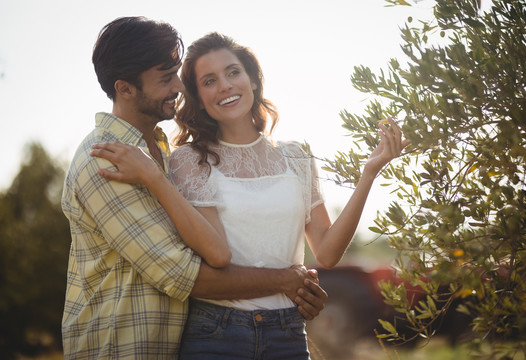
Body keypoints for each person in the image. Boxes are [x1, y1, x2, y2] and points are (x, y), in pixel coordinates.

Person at [91, 32, 408, 360]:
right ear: (199, 98)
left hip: (288, 331)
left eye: (233, 72)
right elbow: (218, 255)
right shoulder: (189, 160)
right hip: (216, 331)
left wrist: (369, 174)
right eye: (210, 81)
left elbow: (327, 253)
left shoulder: (297, 157)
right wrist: (288, 280)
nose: (225, 86)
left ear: (253, 81)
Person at [61, 18, 326, 360]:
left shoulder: (157, 153)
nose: (179, 87)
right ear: (125, 88)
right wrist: (287, 282)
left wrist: (296, 292)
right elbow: (184, 275)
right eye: (165, 78)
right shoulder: (105, 162)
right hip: (121, 349)